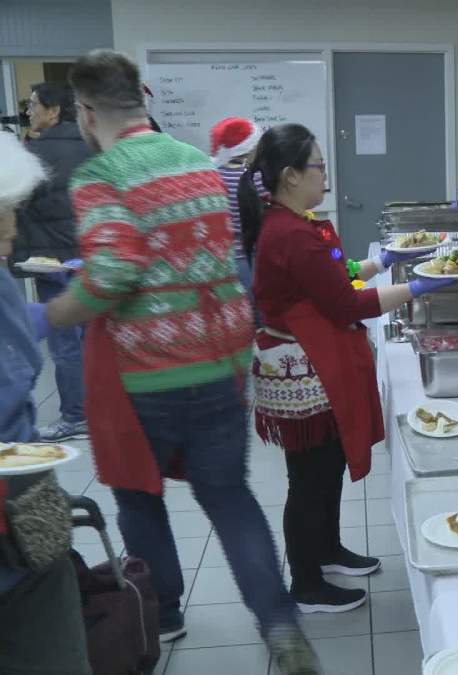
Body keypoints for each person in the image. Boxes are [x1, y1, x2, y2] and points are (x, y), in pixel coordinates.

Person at [42, 49, 320, 674]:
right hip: (218, 365)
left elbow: (113, 272)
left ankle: (162, 614)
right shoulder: (196, 162)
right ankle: (279, 623)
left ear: (86, 112)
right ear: (142, 100)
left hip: (147, 375)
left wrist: (53, 312)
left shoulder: (101, 177)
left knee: (139, 497)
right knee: (230, 499)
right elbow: (213, 262)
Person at [241, 123, 457, 613]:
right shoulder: (288, 233)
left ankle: (327, 549)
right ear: (291, 175)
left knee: (329, 463)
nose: (326, 175)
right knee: (310, 475)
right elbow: (345, 303)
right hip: (303, 370)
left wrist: (384, 261)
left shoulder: (304, 223)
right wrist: (421, 285)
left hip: (316, 360)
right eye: (318, 165)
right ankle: (305, 580)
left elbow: (335, 274)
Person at [0, 131, 91, 675]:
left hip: (27, 507)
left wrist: (69, 304)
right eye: (3, 212)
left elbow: (18, 337)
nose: (13, 227)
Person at [12, 81, 91, 443]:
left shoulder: (35, 152)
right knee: (94, 339)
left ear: (54, 110)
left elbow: (21, 202)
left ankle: (75, 416)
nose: (29, 111)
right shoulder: (92, 146)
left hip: (52, 262)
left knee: (65, 343)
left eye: (33, 105)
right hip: (91, 258)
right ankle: (101, 412)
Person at [210, 116, 267, 309]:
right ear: (250, 148)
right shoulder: (257, 179)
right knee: (260, 320)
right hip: (253, 260)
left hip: (222, 263)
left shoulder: (213, 176)